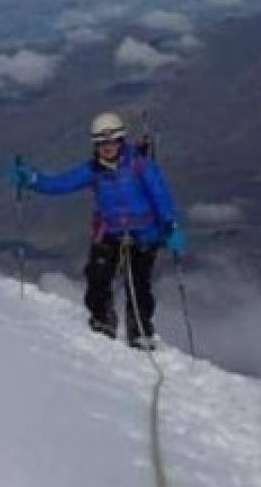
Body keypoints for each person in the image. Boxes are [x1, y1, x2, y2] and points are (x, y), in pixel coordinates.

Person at [12, 111, 187, 350]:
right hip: (111, 234)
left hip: (144, 235)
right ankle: (102, 320)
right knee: (97, 279)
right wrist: (32, 179)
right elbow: (61, 183)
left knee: (138, 285)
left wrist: (170, 225)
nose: (107, 147)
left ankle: (140, 331)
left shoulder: (139, 165)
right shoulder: (93, 170)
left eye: (112, 141)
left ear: (121, 140)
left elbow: (160, 195)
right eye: (102, 142)